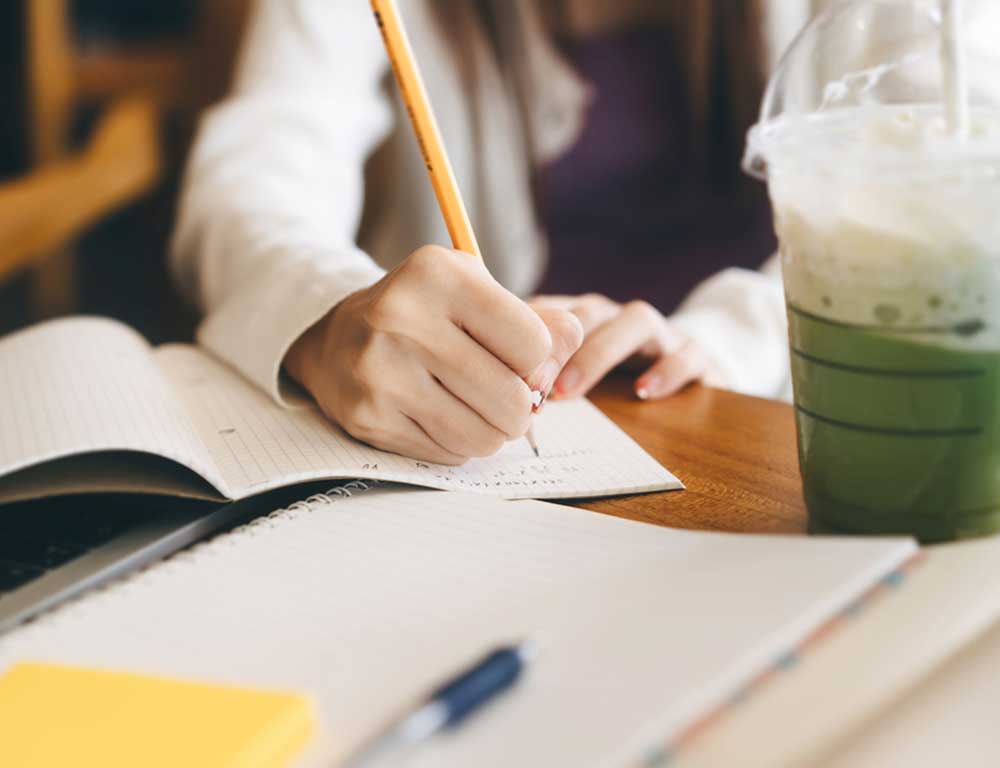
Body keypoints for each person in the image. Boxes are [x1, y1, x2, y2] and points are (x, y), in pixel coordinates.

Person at [172, 0, 811, 464]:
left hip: (778, 418)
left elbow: (903, 209)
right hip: (496, 436)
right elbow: (259, 168)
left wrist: (724, 342)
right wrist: (329, 315)